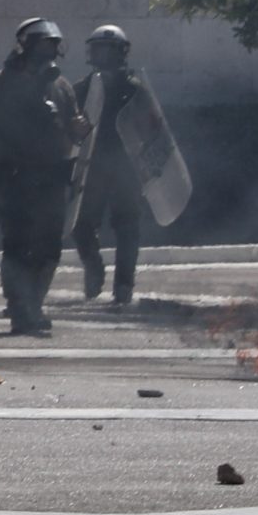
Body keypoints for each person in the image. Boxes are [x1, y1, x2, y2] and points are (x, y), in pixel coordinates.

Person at [0, 17, 88, 336]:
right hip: (12, 178)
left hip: (52, 178)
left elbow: (73, 133)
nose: (49, 51)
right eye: (43, 44)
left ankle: (33, 304)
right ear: (25, 46)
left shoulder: (61, 86)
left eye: (53, 45)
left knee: (49, 247)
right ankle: (20, 309)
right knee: (18, 245)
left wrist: (78, 130)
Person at [72, 24, 149, 307]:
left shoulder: (135, 90)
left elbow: (150, 127)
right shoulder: (81, 89)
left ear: (120, 53)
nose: (102, 55)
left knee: (127, 227)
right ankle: (93, 265)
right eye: (98, 49)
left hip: (126, 168)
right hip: (91, 166)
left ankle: (124, 286)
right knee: (80, 224)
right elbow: (70, 127)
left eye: (108, 50)